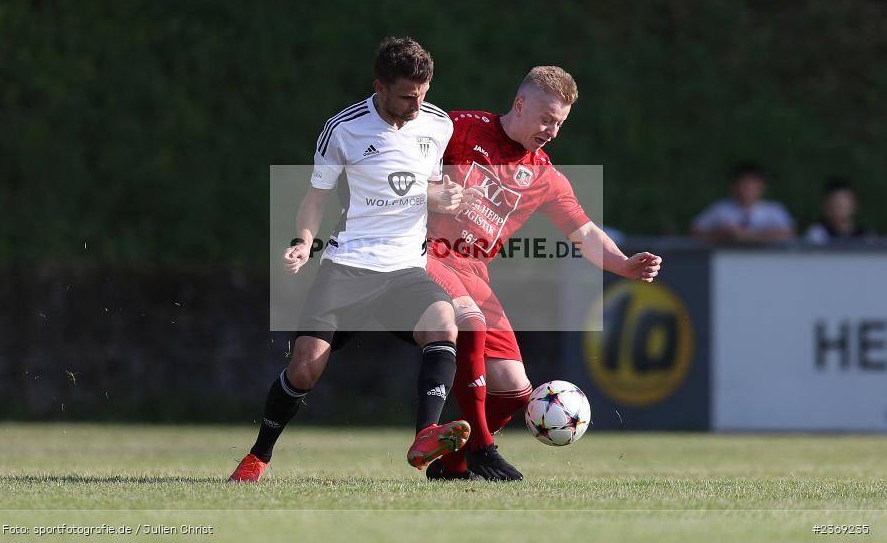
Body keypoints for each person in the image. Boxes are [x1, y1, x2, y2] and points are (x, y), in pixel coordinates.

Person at [229, 37, 470, 482]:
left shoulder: (437, 125)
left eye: (424, 92)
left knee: (444, 323)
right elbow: (315, 199)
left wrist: (444, 196)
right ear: (379, 86)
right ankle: (258, 456)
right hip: (349, 265)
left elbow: (427, 189)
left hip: (406, 268)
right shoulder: (343, 129)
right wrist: (303, 240)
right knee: (304, 368)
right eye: (406, 95)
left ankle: (425, 435)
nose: (417, 104)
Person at [423, 66, 663, 481]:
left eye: (560, 123)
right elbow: (400, 170)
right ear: (520, 105)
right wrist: (430, 191)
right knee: (472, 325)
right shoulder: (458, 127)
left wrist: (623, 264)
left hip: (474, 272)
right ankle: (482, 448)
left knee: (515, 389)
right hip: (427, 254)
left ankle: (452, 464)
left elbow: (585, 231)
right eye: (547, 118)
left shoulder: (545, 176)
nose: (553, 130)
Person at [691, 161, 795, 242]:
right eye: (743, 185)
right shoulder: (721, 209)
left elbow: (788, 232)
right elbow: (696, 231)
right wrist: (723, 234)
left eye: (751, 185)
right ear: (733, 187)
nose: (747, 190)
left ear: (762, 187)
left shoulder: (774, 209)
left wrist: (751, 235)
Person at [804, 178, 873, 244]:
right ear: (826, 207)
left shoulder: (865, 236)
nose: (840, 209)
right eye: (835, 204)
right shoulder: (817, 234)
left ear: (853, 204)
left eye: (844, 204)